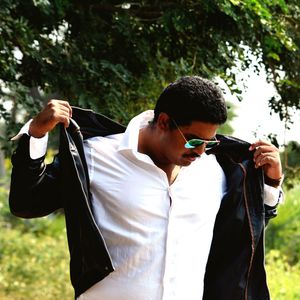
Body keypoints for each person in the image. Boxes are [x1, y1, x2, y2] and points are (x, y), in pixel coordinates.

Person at [9, 76, 283, 300]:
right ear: (164, 122)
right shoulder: (96, 157)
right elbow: (27, 202)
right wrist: (37, 134)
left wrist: (270, 183)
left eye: (208, 143)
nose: (200, 151)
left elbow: (246, 227)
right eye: (192, 141)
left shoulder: (216, 170)